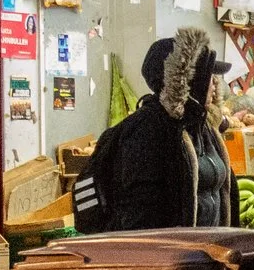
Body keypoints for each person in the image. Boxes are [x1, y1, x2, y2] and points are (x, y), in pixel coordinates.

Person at [73, 26, 237, 231]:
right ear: (188, 80)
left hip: (207, 254)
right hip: (168, 256)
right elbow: (139, 212)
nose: (214, 84)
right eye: (208, 76)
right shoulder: (146, 131)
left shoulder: (203, 128)